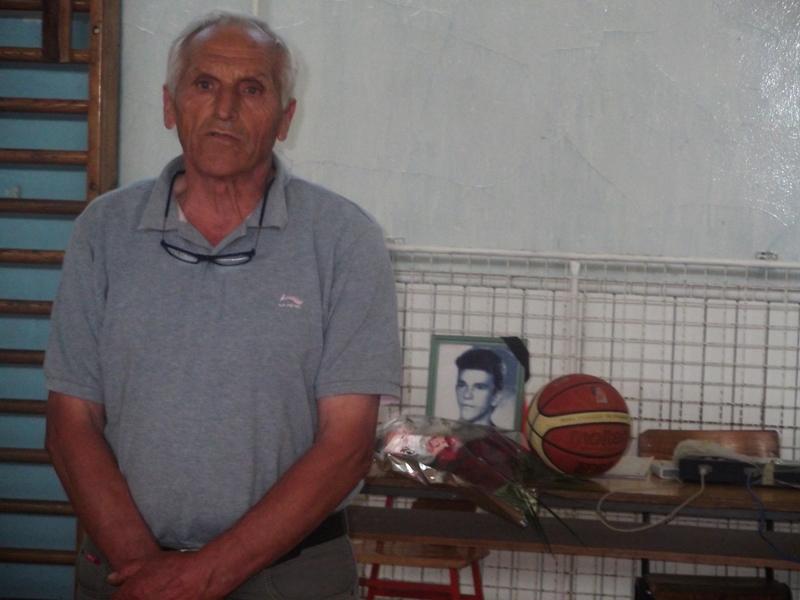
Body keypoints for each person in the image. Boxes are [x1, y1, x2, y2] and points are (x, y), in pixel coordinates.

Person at [43, 11, 401, 600]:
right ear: (170, 106)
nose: (225, 109)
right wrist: (148, 574)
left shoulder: (344, 239)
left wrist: (198, 578)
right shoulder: (103, 231)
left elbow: (346, 447)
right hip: (125, 573)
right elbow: (70, 424)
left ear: (285, 118)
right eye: (204, 84)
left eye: (252, 89)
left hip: (290, 578)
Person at [454, 348, 504, 426]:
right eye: (462, 385)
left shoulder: (505, 434)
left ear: (496, 397)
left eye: (479, 387)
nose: (467, 395)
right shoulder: (442, 431)